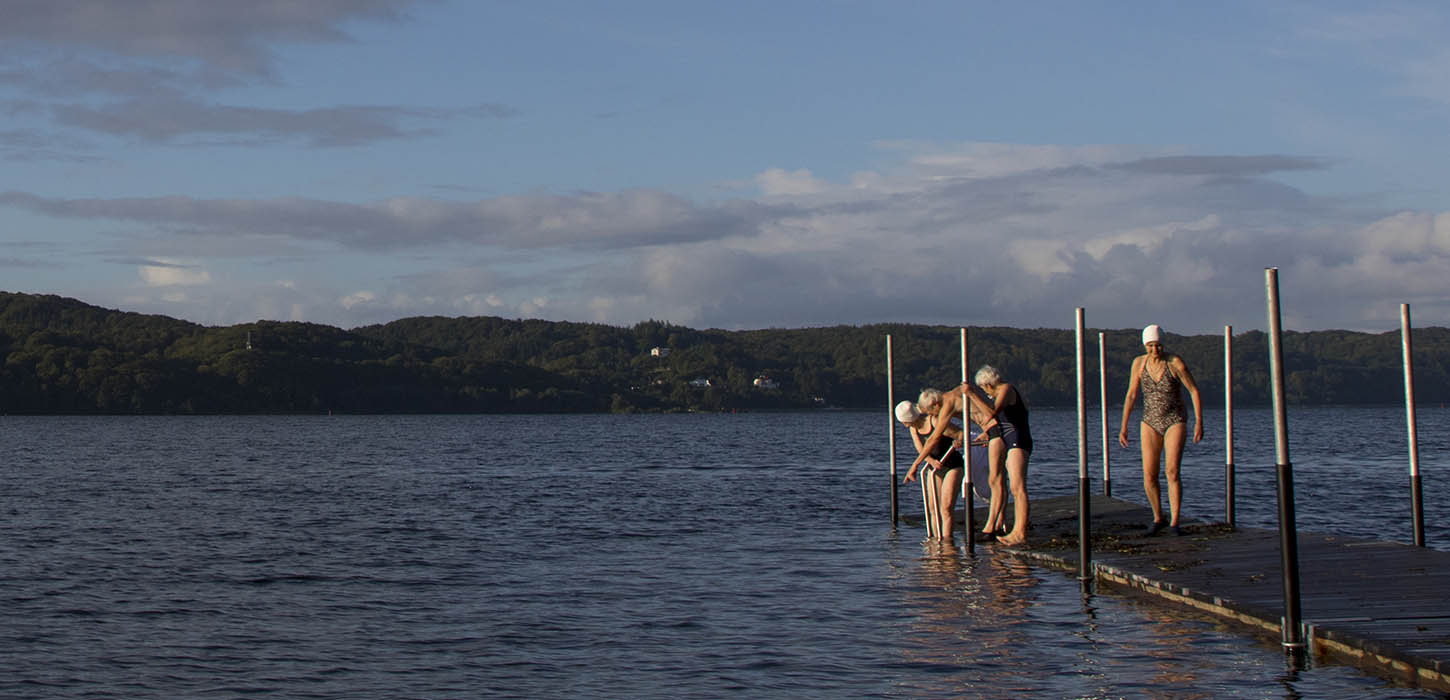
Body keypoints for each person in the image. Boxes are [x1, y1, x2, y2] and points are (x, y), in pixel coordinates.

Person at [1118, 324, 1203, 537]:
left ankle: (1175, 521)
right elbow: (1131, 395)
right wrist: (1124, 426)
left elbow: (1193, 391)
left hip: (1175, 419)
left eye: (1158, 346)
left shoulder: (1175, 363)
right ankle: (1158, 517)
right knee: (1149, 474)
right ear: (1145, 345)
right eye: (1151, 346)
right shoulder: (1139, 363)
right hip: (1149, 421)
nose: (1155, 350)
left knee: (1172, 471)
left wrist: (1199, 421)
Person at [907, 386, 1003, 541]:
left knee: (994, 483)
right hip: (986, 430)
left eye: (931, 412)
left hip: (959, 459)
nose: (931, 416)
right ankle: (937, 541)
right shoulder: (952, 397)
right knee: (934, 508)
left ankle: (992, 527)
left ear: (935, 405)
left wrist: (914, 466)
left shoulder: (946, 405)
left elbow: (934, 439)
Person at [974, 365, 1032, 546]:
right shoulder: (999, 392)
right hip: (1006, 438)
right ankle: (1006, 527)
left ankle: (1019, 532)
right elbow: (999, 421)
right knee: (999, 480)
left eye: (983, 389)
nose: (985, 392)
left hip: (1018, 439)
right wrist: (985, 434)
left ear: (988, 384)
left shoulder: (1006, 389)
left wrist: (971, 394)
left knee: (1017, 486)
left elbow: (992, 413)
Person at [897, 398, 965, 539]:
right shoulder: (913, 429)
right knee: (933, 508)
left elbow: (961, 433)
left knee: (946, 508)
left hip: (952, 464)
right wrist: (930, 461)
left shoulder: (934, 421)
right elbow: (921, 449)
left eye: (905, 422)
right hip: (935, 466)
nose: (904, 425)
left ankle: (947, 541)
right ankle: (935, 540)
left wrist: (958, 441)